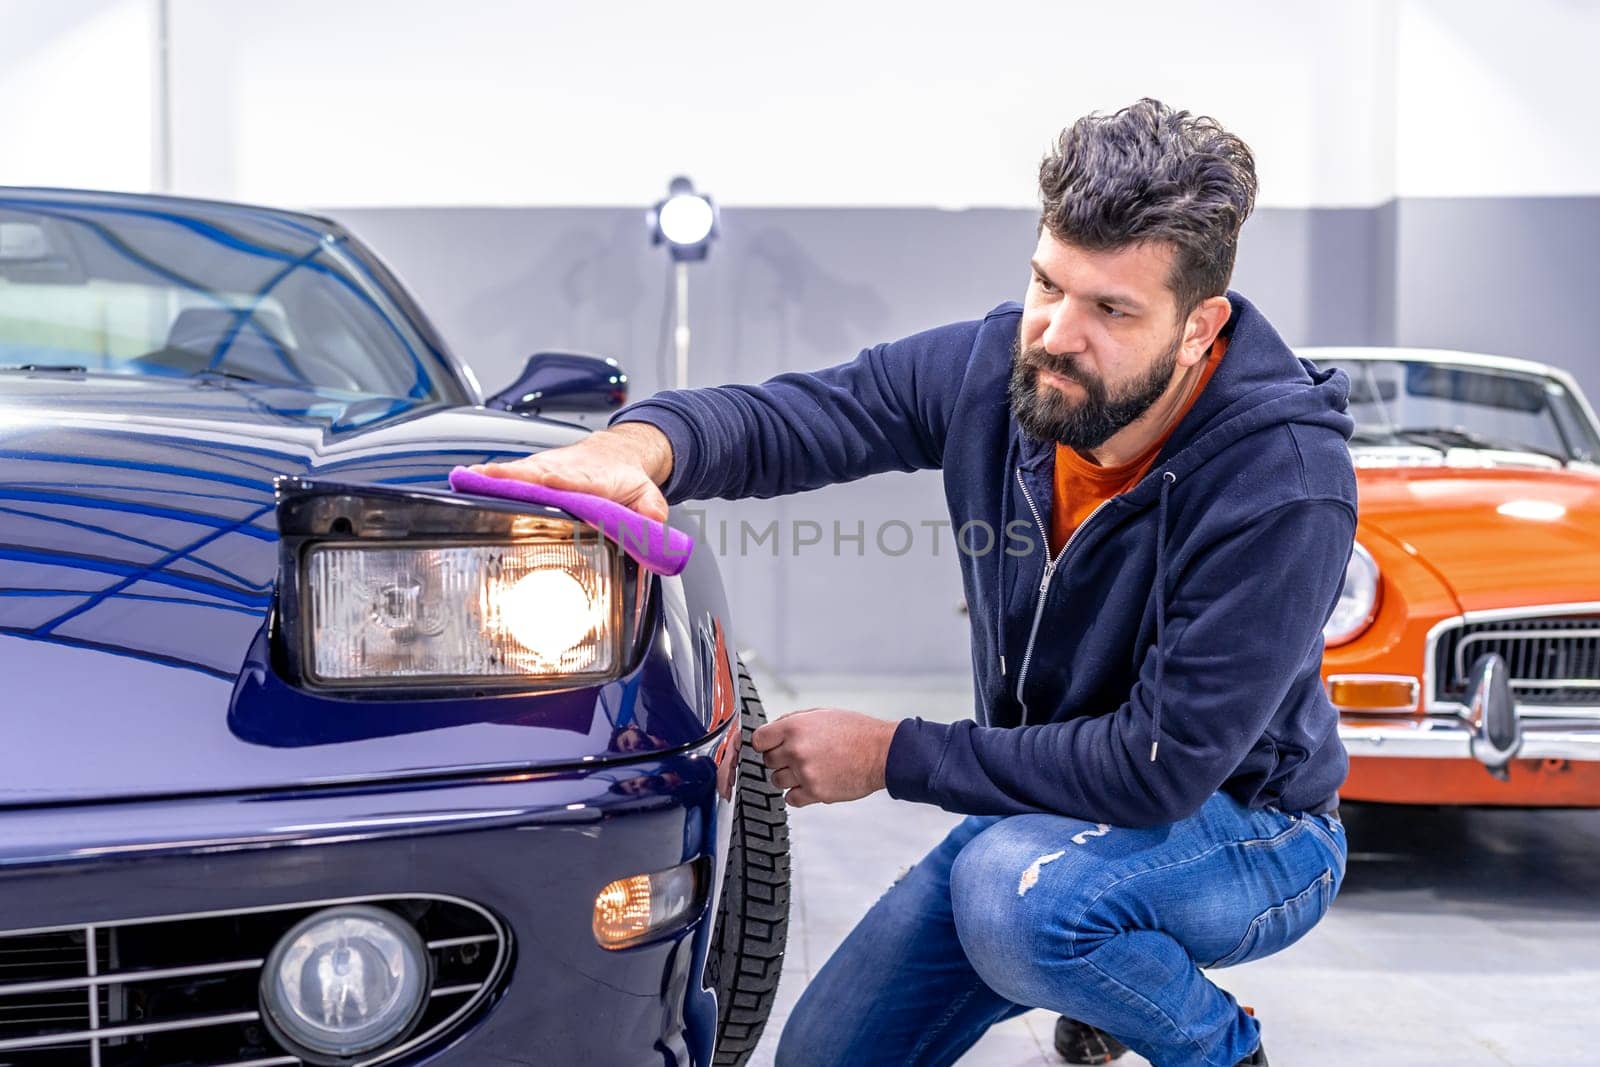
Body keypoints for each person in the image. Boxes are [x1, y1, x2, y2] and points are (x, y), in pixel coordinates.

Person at [474, 98, 1353, 1067]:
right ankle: (1092, 955)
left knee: (1026, 902)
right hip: (1044, 813)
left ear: (1198, 329)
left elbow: (1160, 765)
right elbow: (802, 415)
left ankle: (1216, 1045)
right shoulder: (998, 368)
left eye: (1112, 309)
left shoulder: (1281, 483)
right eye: (1047, 285)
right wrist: (639, 445)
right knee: (825, 1053)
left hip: (1251, 828)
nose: (1057, 334)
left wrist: (889, 753)